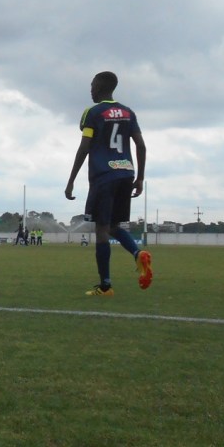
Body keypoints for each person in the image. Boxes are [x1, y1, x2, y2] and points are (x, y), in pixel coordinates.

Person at [65, 71, 152, 296]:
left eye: (92, 86)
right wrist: (140, 178)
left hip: (103, 175)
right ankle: (138, 254)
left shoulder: (92, 113)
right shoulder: (128, 113)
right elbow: (141, 146)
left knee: (102, 230)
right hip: (126, 174)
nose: (90, 90)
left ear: (99, 87)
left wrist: (71, 180)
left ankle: (105, 286)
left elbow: (84, 147)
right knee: (113, 226)